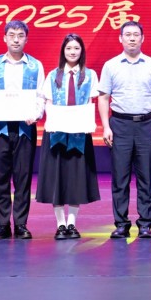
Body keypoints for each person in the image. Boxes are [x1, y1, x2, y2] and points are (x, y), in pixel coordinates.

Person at [98, 21, 151, 240]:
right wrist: (106, 126)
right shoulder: (111, 65)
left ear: (142, 38)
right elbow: (103, 97)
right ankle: (121, 224)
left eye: (136, 34)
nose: (131, 38)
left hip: (146, 124)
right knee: (120, 177)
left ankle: (145, 224)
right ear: (120, 38)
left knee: (145, 176)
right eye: (127, 34)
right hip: (119, 124)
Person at [0, 20, 45, 240]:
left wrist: (36, 114)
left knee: (23, 178)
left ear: (26, 39)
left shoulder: (35, 66)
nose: (16, 40)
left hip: (25, 128)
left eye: (20, 35)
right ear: (4, 38)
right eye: (11, 35)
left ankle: (20, 224)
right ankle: (2, 224)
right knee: (0, 178)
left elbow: (40, 96)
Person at [36, 33, 100, 239]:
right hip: (57, 133)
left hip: (79, 132)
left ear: (82, 51)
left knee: (76, 178)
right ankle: (60, 224)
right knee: (57, 178)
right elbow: (48, 103)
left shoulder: (90, 75)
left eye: (76, 48)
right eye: (69, 48)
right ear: (63, 51)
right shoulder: (52, 75)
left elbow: (91, 102)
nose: (72, 52)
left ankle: (72, 223)